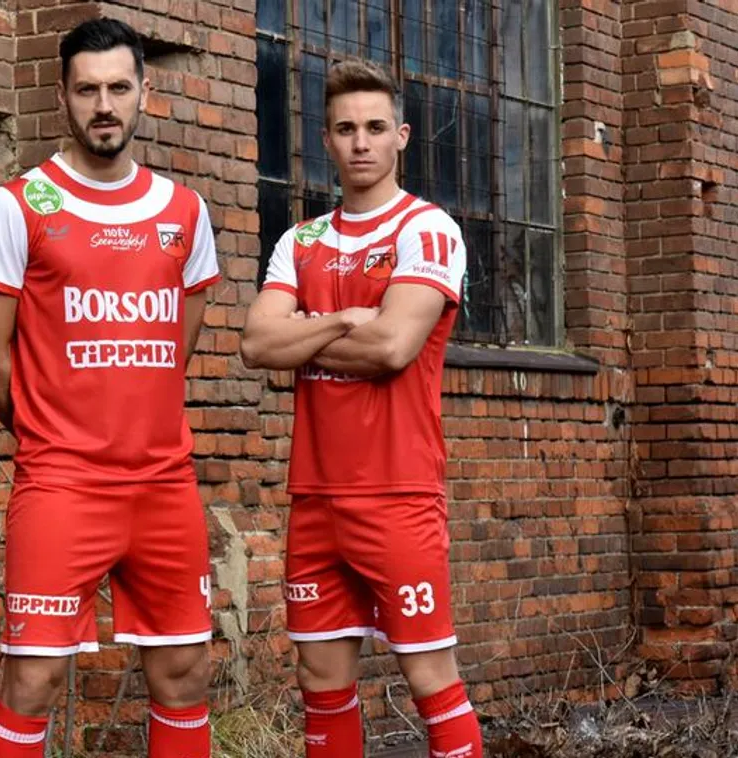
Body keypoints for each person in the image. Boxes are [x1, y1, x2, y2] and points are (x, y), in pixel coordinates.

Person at [0, 18, 221, 758]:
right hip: (62, 484)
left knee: (184, 674)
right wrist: (50, 430)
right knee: (33, 680)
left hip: (163, 484)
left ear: (145, 91)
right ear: (62, 96)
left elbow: (174, 348)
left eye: (118, 88)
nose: (104, 106)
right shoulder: (19, 205)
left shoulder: (184, 211)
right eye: (87, 90)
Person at [240, 58, 483, 758]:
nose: (360, 142)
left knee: (430, 678)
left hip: (398, 492)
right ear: (326, 139)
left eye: (375, 128)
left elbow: (392, 347)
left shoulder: (426, 229)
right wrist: (346, 318)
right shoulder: (300, 242)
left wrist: (306, 333)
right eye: (345, 129)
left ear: (401, 136)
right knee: (320, 681)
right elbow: (256, 343)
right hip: (315, 497)